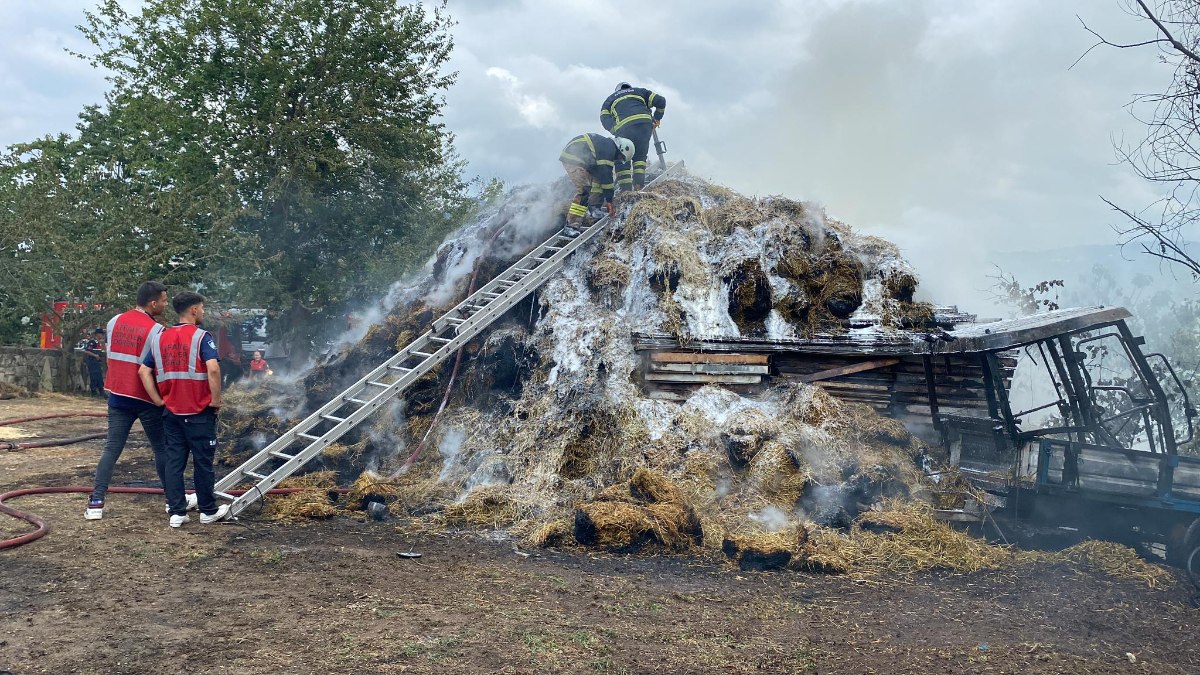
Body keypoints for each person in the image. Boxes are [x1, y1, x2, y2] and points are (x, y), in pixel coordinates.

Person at [85, 281, 197, 520]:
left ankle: (96, 502)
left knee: (111, 449)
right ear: (153, 303)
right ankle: (172, 500)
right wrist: (163, 399)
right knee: (161, 449)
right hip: (146, 399)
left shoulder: (113, 321)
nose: (166, 305)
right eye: (164, 301)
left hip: (117, 395)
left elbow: (110, 356)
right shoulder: (156, 331)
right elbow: (155, 367)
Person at [139, 291, 229, 527]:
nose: (204, 312)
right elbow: (213, 369)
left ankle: (177, 512)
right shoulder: (202, 337)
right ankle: (208, 510)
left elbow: (143, 371)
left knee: (174, 462)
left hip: (171, 412)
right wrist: (216, 401)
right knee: (202, 463)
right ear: (194, 310)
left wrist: (159, 401)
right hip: (199, 411)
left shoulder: (160, 338)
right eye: (202, 308)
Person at [559, 132, 635, 236]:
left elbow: (603, 177)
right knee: (584, 190)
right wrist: (609, 201)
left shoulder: (607, 146)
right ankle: (571, 226)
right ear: (620, 149)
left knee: (598, 180)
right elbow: (607, 176)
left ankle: (594, 208)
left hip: (582, 160)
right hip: (573, 159)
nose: (618, 159)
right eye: (620, 157)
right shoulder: (609, 149)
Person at [599, 82, 666, 191]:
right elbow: (661, 101)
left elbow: (604, 117)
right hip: (644, 125)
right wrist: (657, 118)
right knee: (640, 157)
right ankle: (638, 185)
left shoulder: (610, 99)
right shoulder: (640, 92)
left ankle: (626, 190)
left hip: (625, 128)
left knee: (622, 158)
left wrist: (615, 130)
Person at [84, 329, 105, 396]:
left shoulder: (100, 342)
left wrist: (103, 343)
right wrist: (95, 355)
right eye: (101, 334)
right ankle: (94, 391)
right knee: (93, 376)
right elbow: (87, 351)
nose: (102, 335)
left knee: (99, 377)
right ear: (97, 334)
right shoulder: (92, 342)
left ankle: (101, 390)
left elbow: (103, 350)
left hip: (99, 362)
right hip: (92, 361)